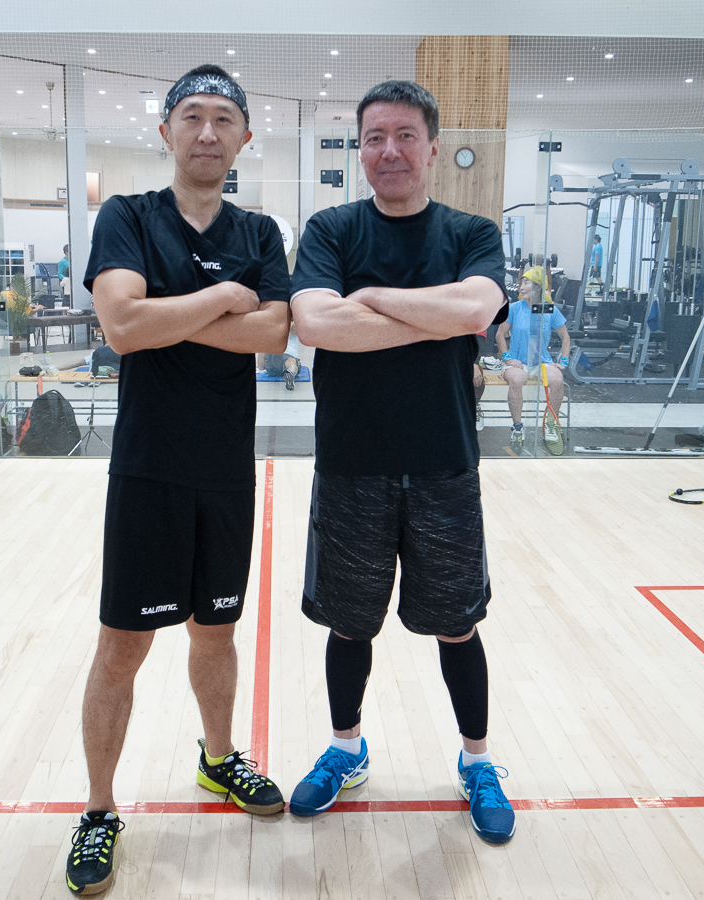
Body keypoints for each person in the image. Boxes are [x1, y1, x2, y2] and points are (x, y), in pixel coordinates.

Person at [67, 64, 291, 896]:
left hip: (225, 473)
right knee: (122, 647)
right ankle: (99, 809)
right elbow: (122, 325)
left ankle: (219, 759)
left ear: (243, 137)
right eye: (191, 116)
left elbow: (273, 335)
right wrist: (226, 296)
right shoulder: (127, 217)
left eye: (223, 118)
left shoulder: (260, 232)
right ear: (165, 132)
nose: (206, 131)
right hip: (148, 470)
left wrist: (173, 311)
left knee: (216, 633)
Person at [287, 80, 514, 844]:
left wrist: (371, 297)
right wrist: (436, 316)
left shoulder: (472, 231)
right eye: (375, 137)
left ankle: (477, 762)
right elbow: (315, 323)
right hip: (351, 466)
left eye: (405, 135)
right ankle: (346, 750)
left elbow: (478, 309)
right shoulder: (330, 229)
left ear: (433, 146)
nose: (390, 150)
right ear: (360, 149)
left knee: (458, 627)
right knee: (349, 626)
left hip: (444, 466)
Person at [496, 265, 570, 451]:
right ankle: (518, 427)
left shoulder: (549, 310)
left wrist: (564, 361)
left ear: (537, 287)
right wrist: (507, 358)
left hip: (541, 362)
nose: (521, 287)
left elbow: (565, 337)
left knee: (557, 380)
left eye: (526, 283)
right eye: (521, 282)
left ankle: (551, 424)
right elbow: (500, 334)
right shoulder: (514, 308)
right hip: (518, 362)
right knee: (517, 379)